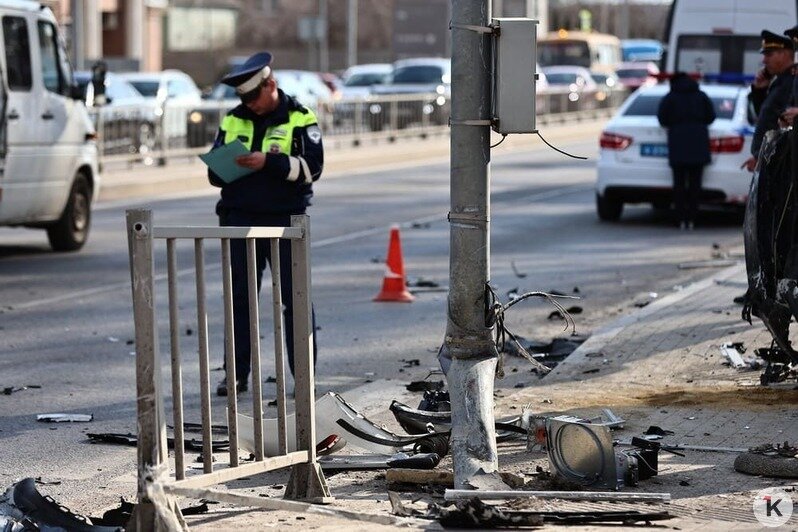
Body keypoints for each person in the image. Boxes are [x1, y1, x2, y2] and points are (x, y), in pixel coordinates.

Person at [207, 52, 322, 396]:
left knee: (295, 299)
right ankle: (235, 374)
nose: (250, 105)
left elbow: (312, 168)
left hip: (285, 220)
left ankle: (304, 376)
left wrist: (267, 163)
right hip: (240, 217)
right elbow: (214, 173)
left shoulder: (300, 116)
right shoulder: (233, 118)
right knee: (240, 300)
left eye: (254, 97)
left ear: (270, 84)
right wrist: (226, 165)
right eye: (244, 99)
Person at [657, 72, 716, 230]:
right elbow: (711, 117)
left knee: (679, 184)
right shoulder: (701, 95)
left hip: (677, 143)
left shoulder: (670, 97)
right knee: (695, 184)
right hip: (699, 143)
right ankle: (693, 218)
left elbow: (662, 119)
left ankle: (680, 218)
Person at [741, 30, 795, 172]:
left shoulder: (791, 82)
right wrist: (759, 91)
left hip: (781, 165)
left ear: (784, 54)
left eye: (769, 55)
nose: (764, 61)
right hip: (771, 161)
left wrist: (763, 157)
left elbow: (783, 128)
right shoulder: (780, 82)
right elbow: (767, 118)